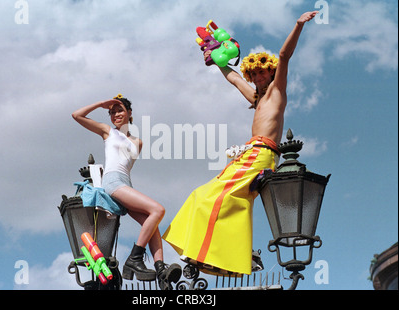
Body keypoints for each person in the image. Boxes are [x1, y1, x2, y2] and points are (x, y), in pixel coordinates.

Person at [163, 11, 318, 276]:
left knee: (213, 197)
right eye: (254, 74)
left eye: (262, 73)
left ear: (270, 74)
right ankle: (234, 256)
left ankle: (217, 253)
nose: (258, 77)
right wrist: (215, 60)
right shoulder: (257, 99)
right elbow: (233, 77)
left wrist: (298, 25)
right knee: (215, 198)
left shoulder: (276, 93)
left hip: (262, 154)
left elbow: (283, 56)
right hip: (252, 152)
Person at [72, 94, 181, 289]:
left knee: (152, 222)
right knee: (158, 210)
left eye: (119, 110)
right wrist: (100, 104)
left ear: (129, 113)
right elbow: (77, 115)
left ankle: (161, 271)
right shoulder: (108, 132)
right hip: (113, 182)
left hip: (125, 184)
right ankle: (135, 257)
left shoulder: (138, 142)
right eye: (111, 112)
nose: (115, 114)